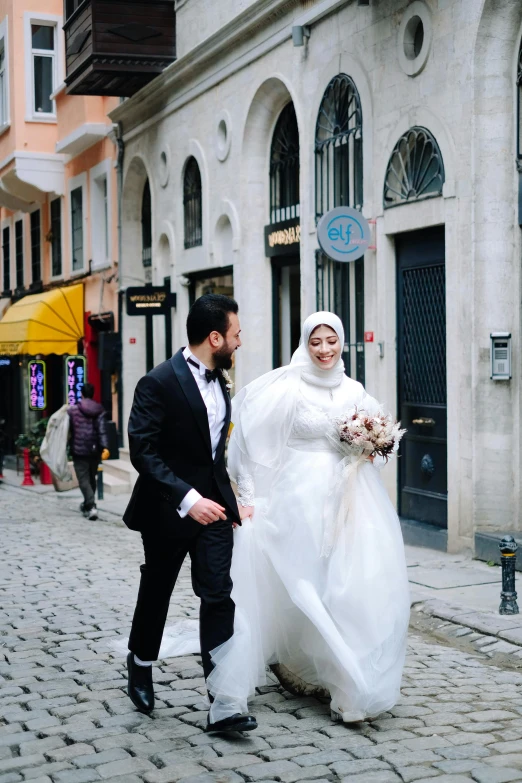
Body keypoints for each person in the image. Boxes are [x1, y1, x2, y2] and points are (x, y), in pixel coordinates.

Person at [206, 311, 410, 725]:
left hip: (353, 501)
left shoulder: (355, 390)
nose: (324, 349)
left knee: (349, 587)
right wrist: (247, 498)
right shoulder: (288, 386)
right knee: (309, 585)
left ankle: (349, 684)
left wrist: (371, 447)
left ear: (342, 341)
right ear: (305, 342)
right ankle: (323, 668)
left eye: (331, 341)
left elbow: (379, 443)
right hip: (297, 501)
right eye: (315, 341)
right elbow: (249, 439)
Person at [123, 293, 257, 734]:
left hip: (215, 511)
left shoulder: (221, 380)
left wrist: (228, 503)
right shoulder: (157, 382)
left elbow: (213, 453)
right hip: (167, 509)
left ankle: (223, 702)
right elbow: (143, 452)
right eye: (235, 334)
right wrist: (188, 499)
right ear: (214, 337)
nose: (240, 342)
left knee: (218, 594)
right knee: (157, 590)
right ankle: (140, 663)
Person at [68, 383, 109, 522]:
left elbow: (68, 431)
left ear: (82, 394)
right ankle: (87, 504)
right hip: (94, 450)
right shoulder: (99, 409)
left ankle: (91, 506)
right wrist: (105, 447)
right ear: (92, 394)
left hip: (79, 450)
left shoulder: (72, 411)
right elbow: (102, 430)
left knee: (83, 479)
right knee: (92, 478)